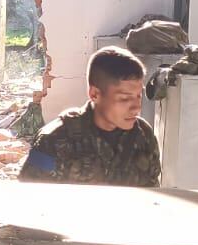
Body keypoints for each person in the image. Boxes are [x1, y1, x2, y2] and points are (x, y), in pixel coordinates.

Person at [20, 47, 162, 186]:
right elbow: (30, 195)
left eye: (138, 96)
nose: (137, 107)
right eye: (124, 98)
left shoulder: (143, 134)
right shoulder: (52, 139)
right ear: (95, 94)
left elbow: (153, 193)